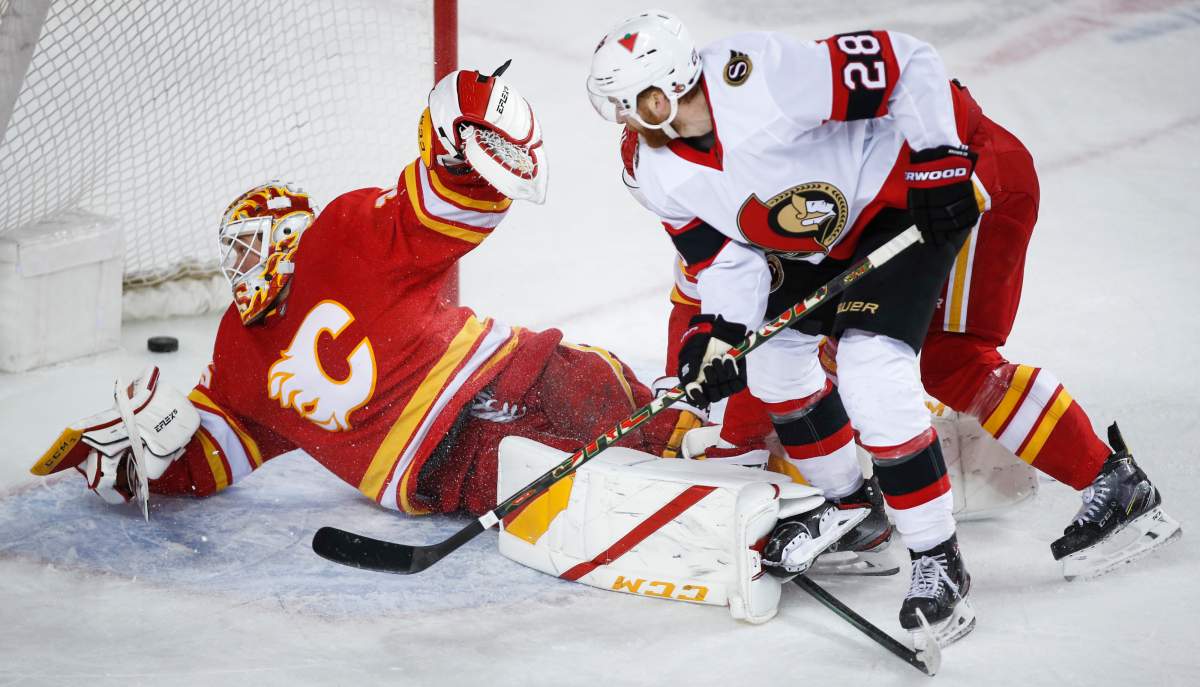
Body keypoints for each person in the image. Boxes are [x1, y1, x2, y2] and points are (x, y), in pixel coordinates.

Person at [30, 65, 691, 522]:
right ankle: (662, 483)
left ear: (291, 235)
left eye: (252, 245)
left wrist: (457, 141)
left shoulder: (340, 235)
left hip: (485, 376)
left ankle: (690, 437)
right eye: (234, 253)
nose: (241, 268)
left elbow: (441, 211)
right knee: (539, 452)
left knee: (574, 379)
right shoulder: (235, 351)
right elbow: (220, 454)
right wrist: (144, 465)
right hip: (430, 464)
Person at [655, 53, 1181, 584]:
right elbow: (707, 308)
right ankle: (861, 515)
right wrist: (710, 401)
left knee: (952, 359)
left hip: (969, 185)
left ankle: (1113, 481)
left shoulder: (763, 122)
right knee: (825, 348)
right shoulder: (712, 213)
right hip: (898, 204)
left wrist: (741, 440)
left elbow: (916, 80)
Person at [588, 10, 993, 647]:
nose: (620, 120)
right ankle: (856, 510)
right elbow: (723, 259)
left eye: (627, 103)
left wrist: (938, 157)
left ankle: (937, 558)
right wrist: (716, 336)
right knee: (774, 365)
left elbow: (906, 62)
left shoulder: (761, 77)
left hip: (889, 213)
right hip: (808, 246)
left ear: (662, 92)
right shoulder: (650, 168)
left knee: (872, 371)